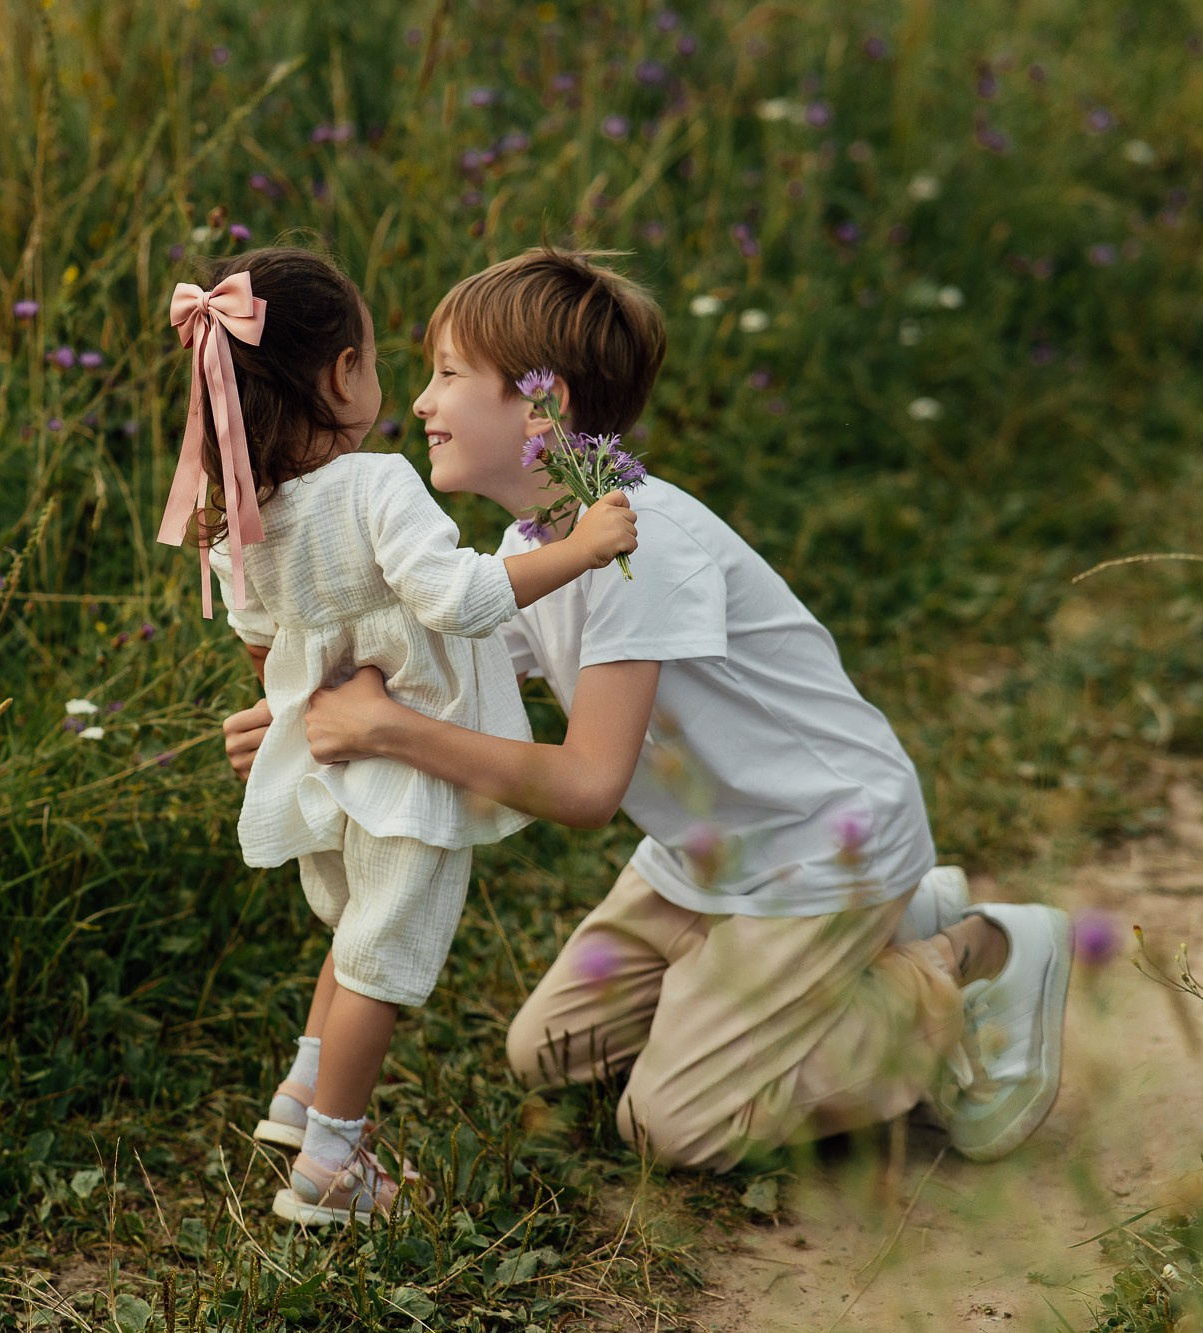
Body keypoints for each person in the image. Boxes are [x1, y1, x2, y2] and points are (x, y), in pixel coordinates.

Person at [223, 247, 1073, 1172]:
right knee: (549, 1051)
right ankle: (877, 937)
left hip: (822, 844)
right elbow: (434, 686)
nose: (421, 401)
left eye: (449, 374)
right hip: (704, 853)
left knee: (673, 1126)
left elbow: (587, 785)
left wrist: (385, 730)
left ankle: (972, 954)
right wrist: (300, 723)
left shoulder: (635, 548)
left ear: (543, 406)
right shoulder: (535, 545)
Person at [160, 247, 639, 1224]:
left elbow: (261, 647)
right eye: (384, 360)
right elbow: (455, 599)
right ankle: (332, 1158)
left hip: (329, 768)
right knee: (382, 954)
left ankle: (301, 1089)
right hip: (408, 761)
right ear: (344, 372)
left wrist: (298, 710)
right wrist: (582, 548)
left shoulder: (237, 522)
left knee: (351, 934)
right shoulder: (373, 485)